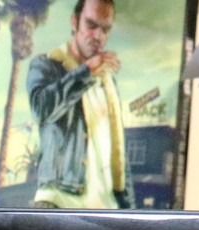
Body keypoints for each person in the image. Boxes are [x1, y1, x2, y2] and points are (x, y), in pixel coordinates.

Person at [27, 0, 130, 208]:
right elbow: (40, 109)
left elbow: (117, 150)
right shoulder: (47, 65)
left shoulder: (108, 81)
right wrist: (86, 72)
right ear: (74, 22)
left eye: (105, 30)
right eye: (91, 25)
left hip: (106, 208)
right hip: (60, 202)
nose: (98, 36)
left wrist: (128, 209)